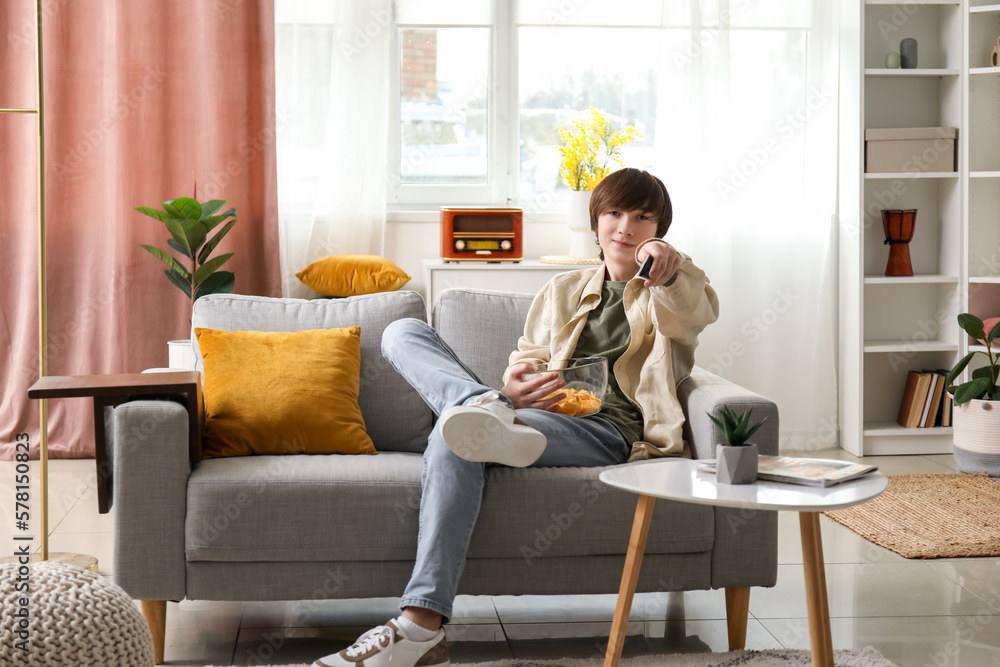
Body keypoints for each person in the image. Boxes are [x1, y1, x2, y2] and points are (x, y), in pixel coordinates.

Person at [311, 168, 719, 667]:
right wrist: (511, 392)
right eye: (613, 213)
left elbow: (695, 309)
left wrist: (671, 268)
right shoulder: (561, 290)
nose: (624, 227)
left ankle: (420, 626)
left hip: (606, 430)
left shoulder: (670, 286)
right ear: (595, 223)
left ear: (657, 231)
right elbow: (526, 358)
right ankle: (484, 406)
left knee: (454, 432)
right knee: (403, 334)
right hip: (538, 416)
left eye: (642, 217)